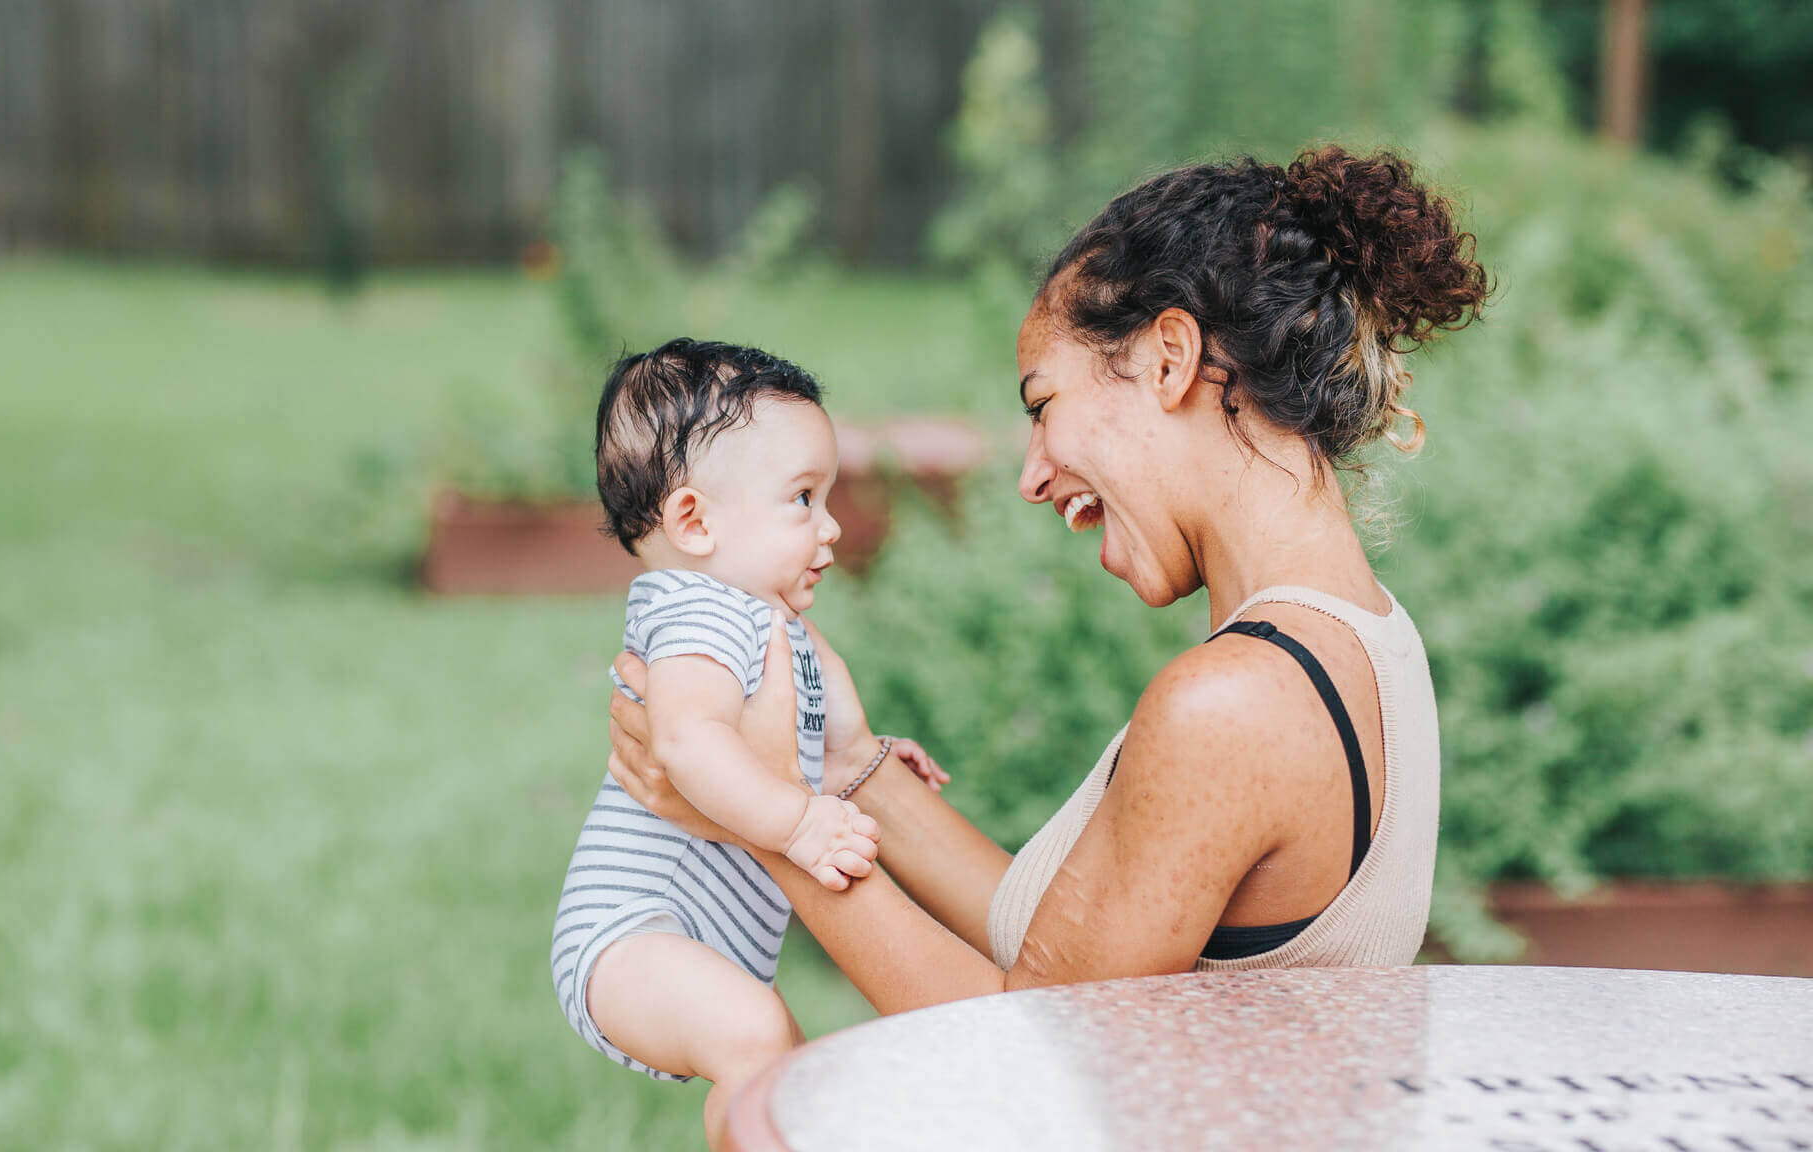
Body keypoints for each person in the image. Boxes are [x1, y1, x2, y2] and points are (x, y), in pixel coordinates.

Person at [605, 147, 1491, 1016]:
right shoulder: (1368, 636)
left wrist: (759, 826)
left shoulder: (1233, 704)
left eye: (1043, 405)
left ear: (1169, 358)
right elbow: (1070, 951)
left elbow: (1030, 1051)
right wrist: (848, 767)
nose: (1030, 475)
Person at [549, 338, 946, 1150]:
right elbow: (688, 746)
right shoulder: (699, 612)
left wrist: (866, 759)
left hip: (684, 932)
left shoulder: (762, 618)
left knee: (792, 1079)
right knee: (757, 1041)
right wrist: (801, 826)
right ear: (694, 521)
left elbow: (805, 739)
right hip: (631, 929)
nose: (831, 527)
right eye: (803, 498)